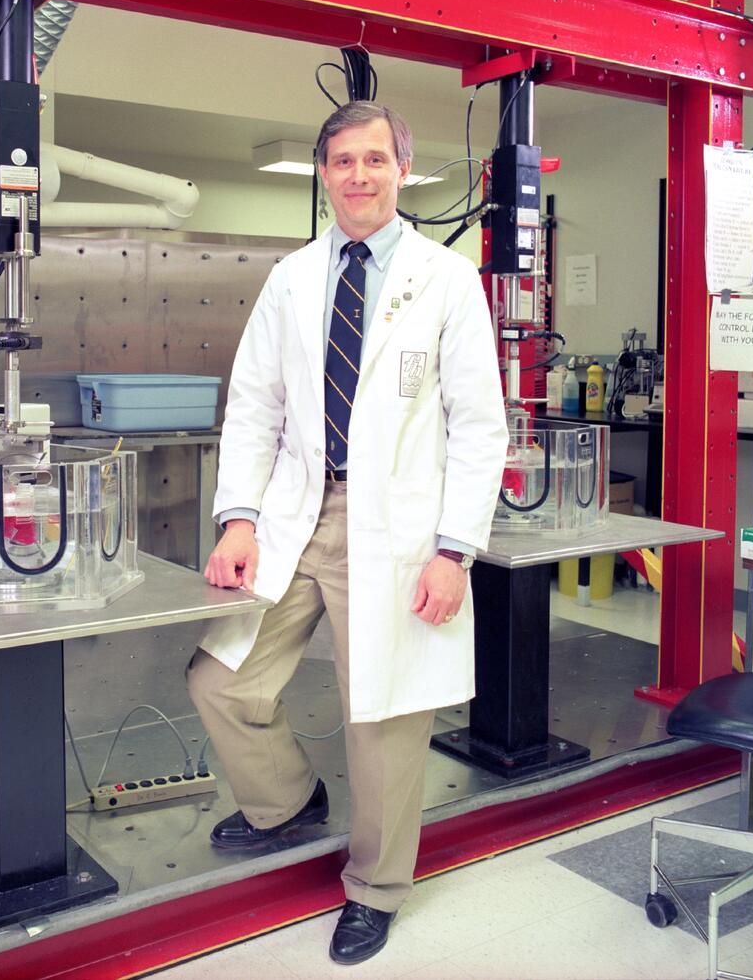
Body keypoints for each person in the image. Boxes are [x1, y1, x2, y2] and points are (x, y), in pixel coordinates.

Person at [187, 100, 508, 966]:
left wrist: (453, 551)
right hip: (300, 513)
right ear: (323, 173)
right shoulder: (293, 279)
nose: (358, 176)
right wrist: (240, 518)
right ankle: (286, 802)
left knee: (385, 719)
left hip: (400, 530)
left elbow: (480, 425)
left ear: (403, 169)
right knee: (223, 680)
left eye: (375, 160)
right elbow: (253, 405)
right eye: (341, 161)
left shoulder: (446, 280)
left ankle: (375, 889)